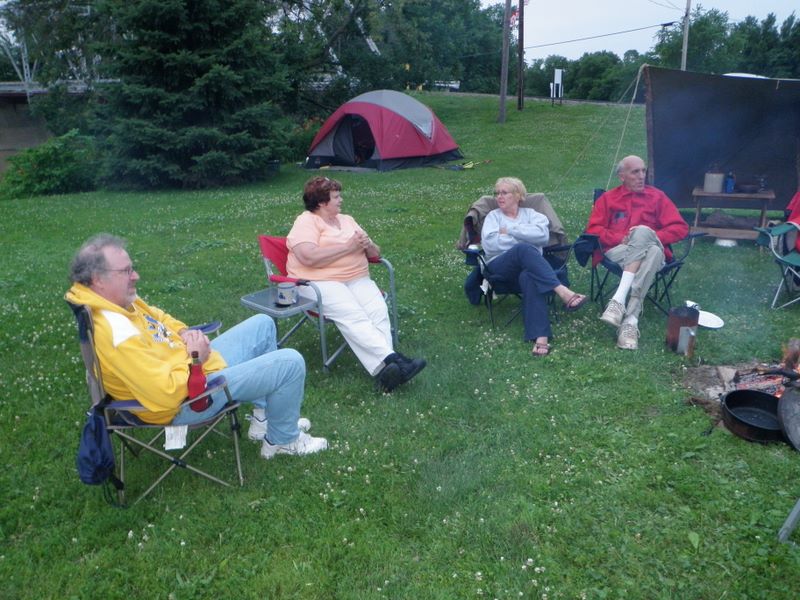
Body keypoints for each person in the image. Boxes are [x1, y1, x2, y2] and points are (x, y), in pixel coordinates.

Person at [65, 234, 328, 460]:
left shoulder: (117, 301)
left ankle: (263, 421)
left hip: (189, 368)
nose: (136, 276)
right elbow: (165, 395)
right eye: (126, 271)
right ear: (98, 279)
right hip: (187, 400)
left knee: (263, 324)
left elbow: (159, 318)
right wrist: (195, 358)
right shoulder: (116, 333)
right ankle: (283, 441)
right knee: (290, 363)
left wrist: (184, 333)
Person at [286, 176, 426, 392]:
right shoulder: (306, 221)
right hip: (318, 281)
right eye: (336, 197)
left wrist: (368, 245)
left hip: (356, 277)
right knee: (353, 314)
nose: (341, 200)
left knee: (378, 311)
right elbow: (308, 257)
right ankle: (395, 361)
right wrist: (348, 247)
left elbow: (375, 253)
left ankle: (387, 372)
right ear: (321, 202)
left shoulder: (347, 220)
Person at [586, 155, 689, 350]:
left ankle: (619, 302)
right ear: (622, 176)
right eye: (635, 172)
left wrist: (650, 236)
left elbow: (680, 228)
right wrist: (621, 238)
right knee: (653, 252)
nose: (642, 176)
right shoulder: (608, 199)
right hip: (618, 250)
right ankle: (630, 322)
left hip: (653, 249)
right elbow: (593, 230)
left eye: (643, 171)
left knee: (645, 237)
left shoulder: (657, 197)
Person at [481, 177, 588, 357]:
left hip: (529, 269)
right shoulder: (493, 217)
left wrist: (510, 231)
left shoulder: (533, 215)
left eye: (504, 193)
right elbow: (491, 245)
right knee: (524, 249)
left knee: (529, 276)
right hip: (500, 266)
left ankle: (541, 337)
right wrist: (524, 239)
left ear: (518, 195)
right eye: (497, 193)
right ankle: (563, 292)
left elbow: (542, 237)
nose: (499, 196)